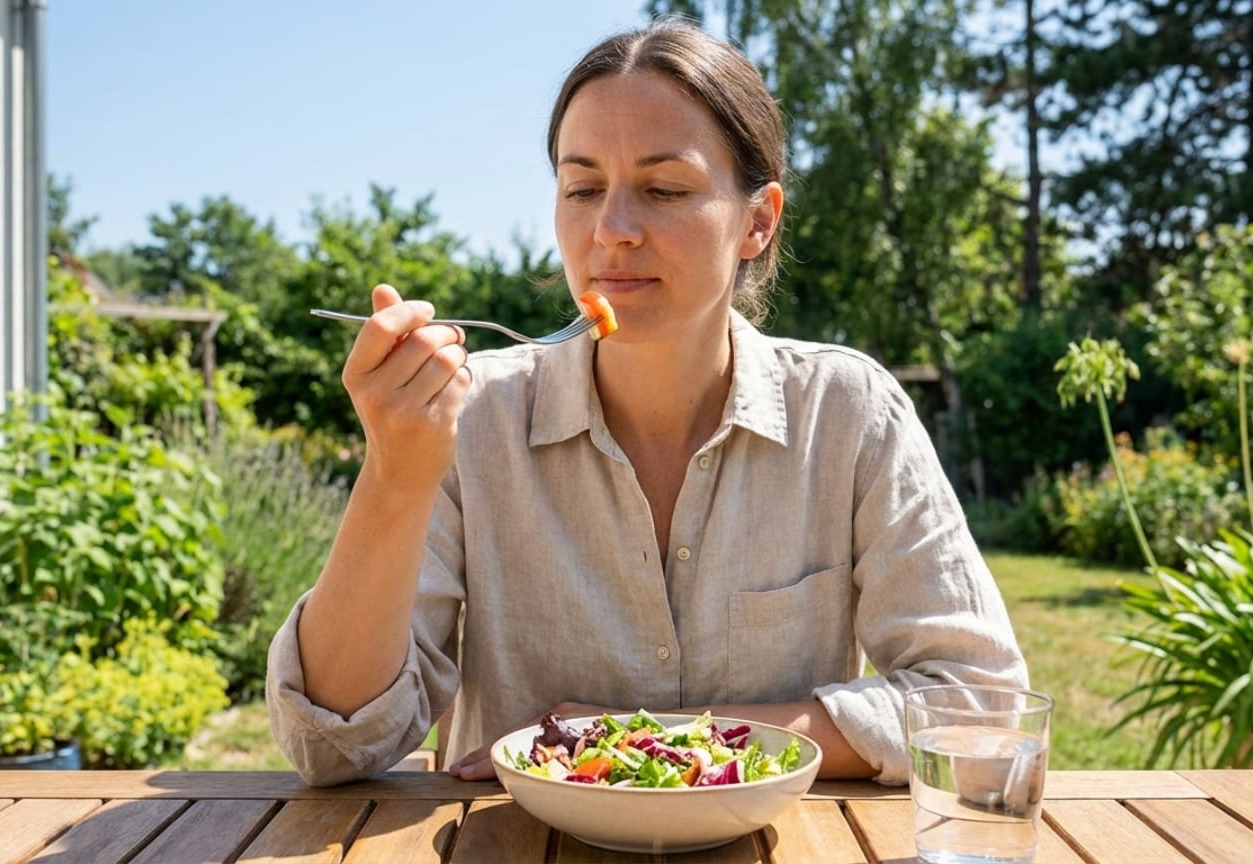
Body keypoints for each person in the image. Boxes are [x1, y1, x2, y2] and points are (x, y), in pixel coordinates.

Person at [266, 19, 1027, 788]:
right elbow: (332, 744)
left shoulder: (848, 413)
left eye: (664, 189)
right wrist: (396, 474)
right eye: (583, 188)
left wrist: (633, 744)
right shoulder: (473, 416)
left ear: (758, 222)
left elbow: (981, 709)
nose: (612, 231)